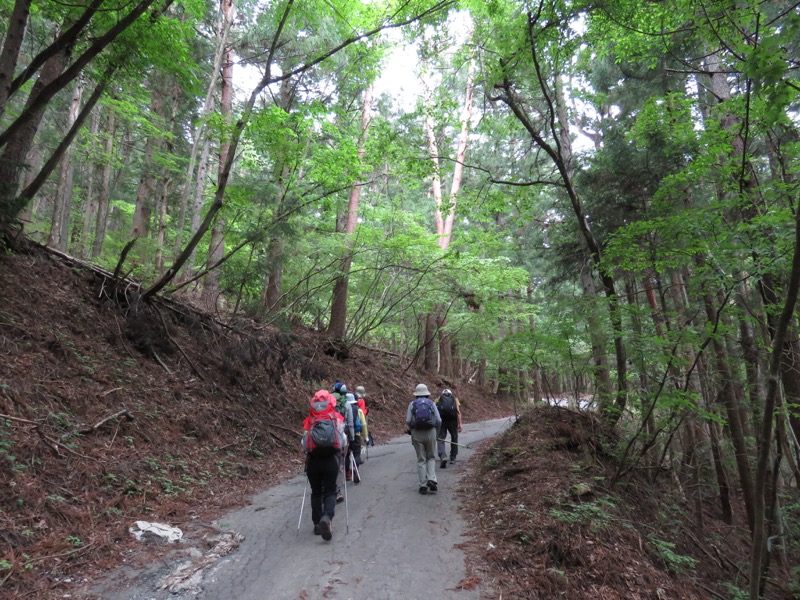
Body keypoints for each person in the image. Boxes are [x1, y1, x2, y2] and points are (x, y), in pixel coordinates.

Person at [301, 390, 346, 541]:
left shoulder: (310, 420)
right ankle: (327, 518)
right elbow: (343, 440)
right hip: (331, 460)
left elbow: (304, 443)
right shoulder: (336, 418)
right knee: (330, 491)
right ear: (331, 402)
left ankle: (316, 524)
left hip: (313, 461)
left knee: (316, 492)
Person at [405, 383, 441, 495]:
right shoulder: (431, 403)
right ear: (427, 393)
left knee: (421, 459)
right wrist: (436, 433)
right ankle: (432, 479)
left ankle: (423, 486)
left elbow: (408, 420)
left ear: (416, 394)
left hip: (417, 433)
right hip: (431, 432)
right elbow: (439, 420)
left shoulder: (412, 404)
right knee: (430, 457)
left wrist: (412, 429)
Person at [436, 388, 462, 468]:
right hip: (452, 421)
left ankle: (443, 456)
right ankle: (453, 457)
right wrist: (460, 423)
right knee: (454, 437)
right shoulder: (455, 399)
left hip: (442, 421)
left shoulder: (438, 399)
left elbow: (434, 411)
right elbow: (458, 412)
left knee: (441, 438)